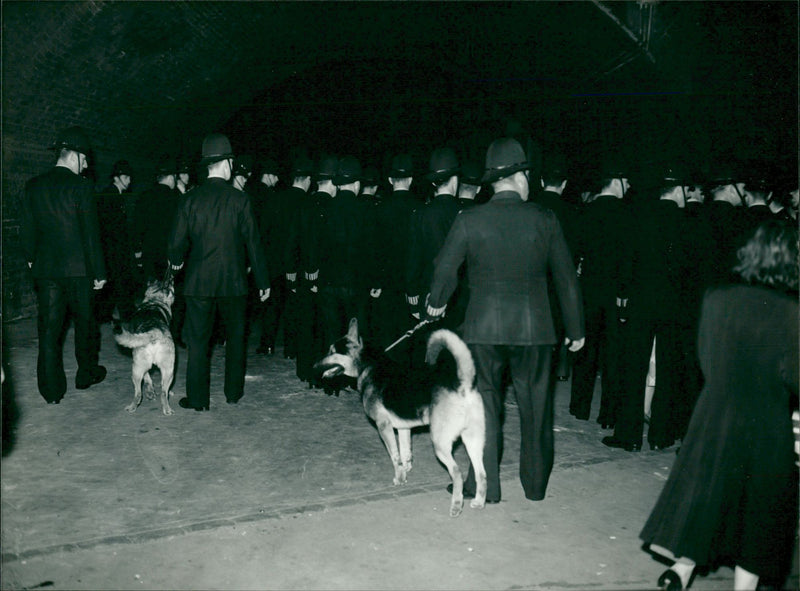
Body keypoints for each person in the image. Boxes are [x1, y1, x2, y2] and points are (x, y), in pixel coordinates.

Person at [640, 220, 799, 591]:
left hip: (714, 415)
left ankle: (679, 571)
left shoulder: (716, 298)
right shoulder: (792, 313)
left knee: (707, 497)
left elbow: (705, 361)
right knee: (757, 512)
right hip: (766, 423)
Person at [426, 137, 585, 503]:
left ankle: (487, 487)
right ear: (520, 176)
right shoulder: (545, 218)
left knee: (485, 409)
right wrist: (576, 329)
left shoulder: (470, 218)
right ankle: (534, 487)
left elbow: (445, 268)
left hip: (483, 330)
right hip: (536, 331)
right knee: (537, 409)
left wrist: (436, 303)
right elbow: (566, 278)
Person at [167, 133, 270, 411]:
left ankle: (198, 400)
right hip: (234, 283)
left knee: (198, 342)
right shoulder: (240, 199)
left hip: (198, 283)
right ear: (226, 163)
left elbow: (176, 242)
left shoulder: (190, 199)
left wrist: (175, 262)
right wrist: (262, 280)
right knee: (236, 338)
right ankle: (233, 393)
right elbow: (254, 244)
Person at [20, 126, 108, 402]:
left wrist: (33, 260)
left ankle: (51, 391)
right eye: (86, 160)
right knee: (85, 324)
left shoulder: (33, 186)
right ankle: (85, 374)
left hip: (47, 270)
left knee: (48, 329)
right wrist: (99, 272)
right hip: (79, 270)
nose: (87, 166)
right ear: (76, 157)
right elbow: (90, 235)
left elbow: (26, 231)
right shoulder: (81, 187)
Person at [405, 147, 462, 324]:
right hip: (462, 297)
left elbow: (414, 258)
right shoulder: (468, 212)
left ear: (434, 183)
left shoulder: (421, 213)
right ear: (455, 179)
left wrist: (412, 296)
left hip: (428, 294)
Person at [94, 159, 136, 323]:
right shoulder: (110, 196)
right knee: (120, 287)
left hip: (114, 253)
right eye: (126, 177)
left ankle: (107, 316)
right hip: (113, 253)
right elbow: (110, 229)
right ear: (117, 177)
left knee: (115, 288)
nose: (129, 180)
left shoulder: (116, 196)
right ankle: (125, 318)